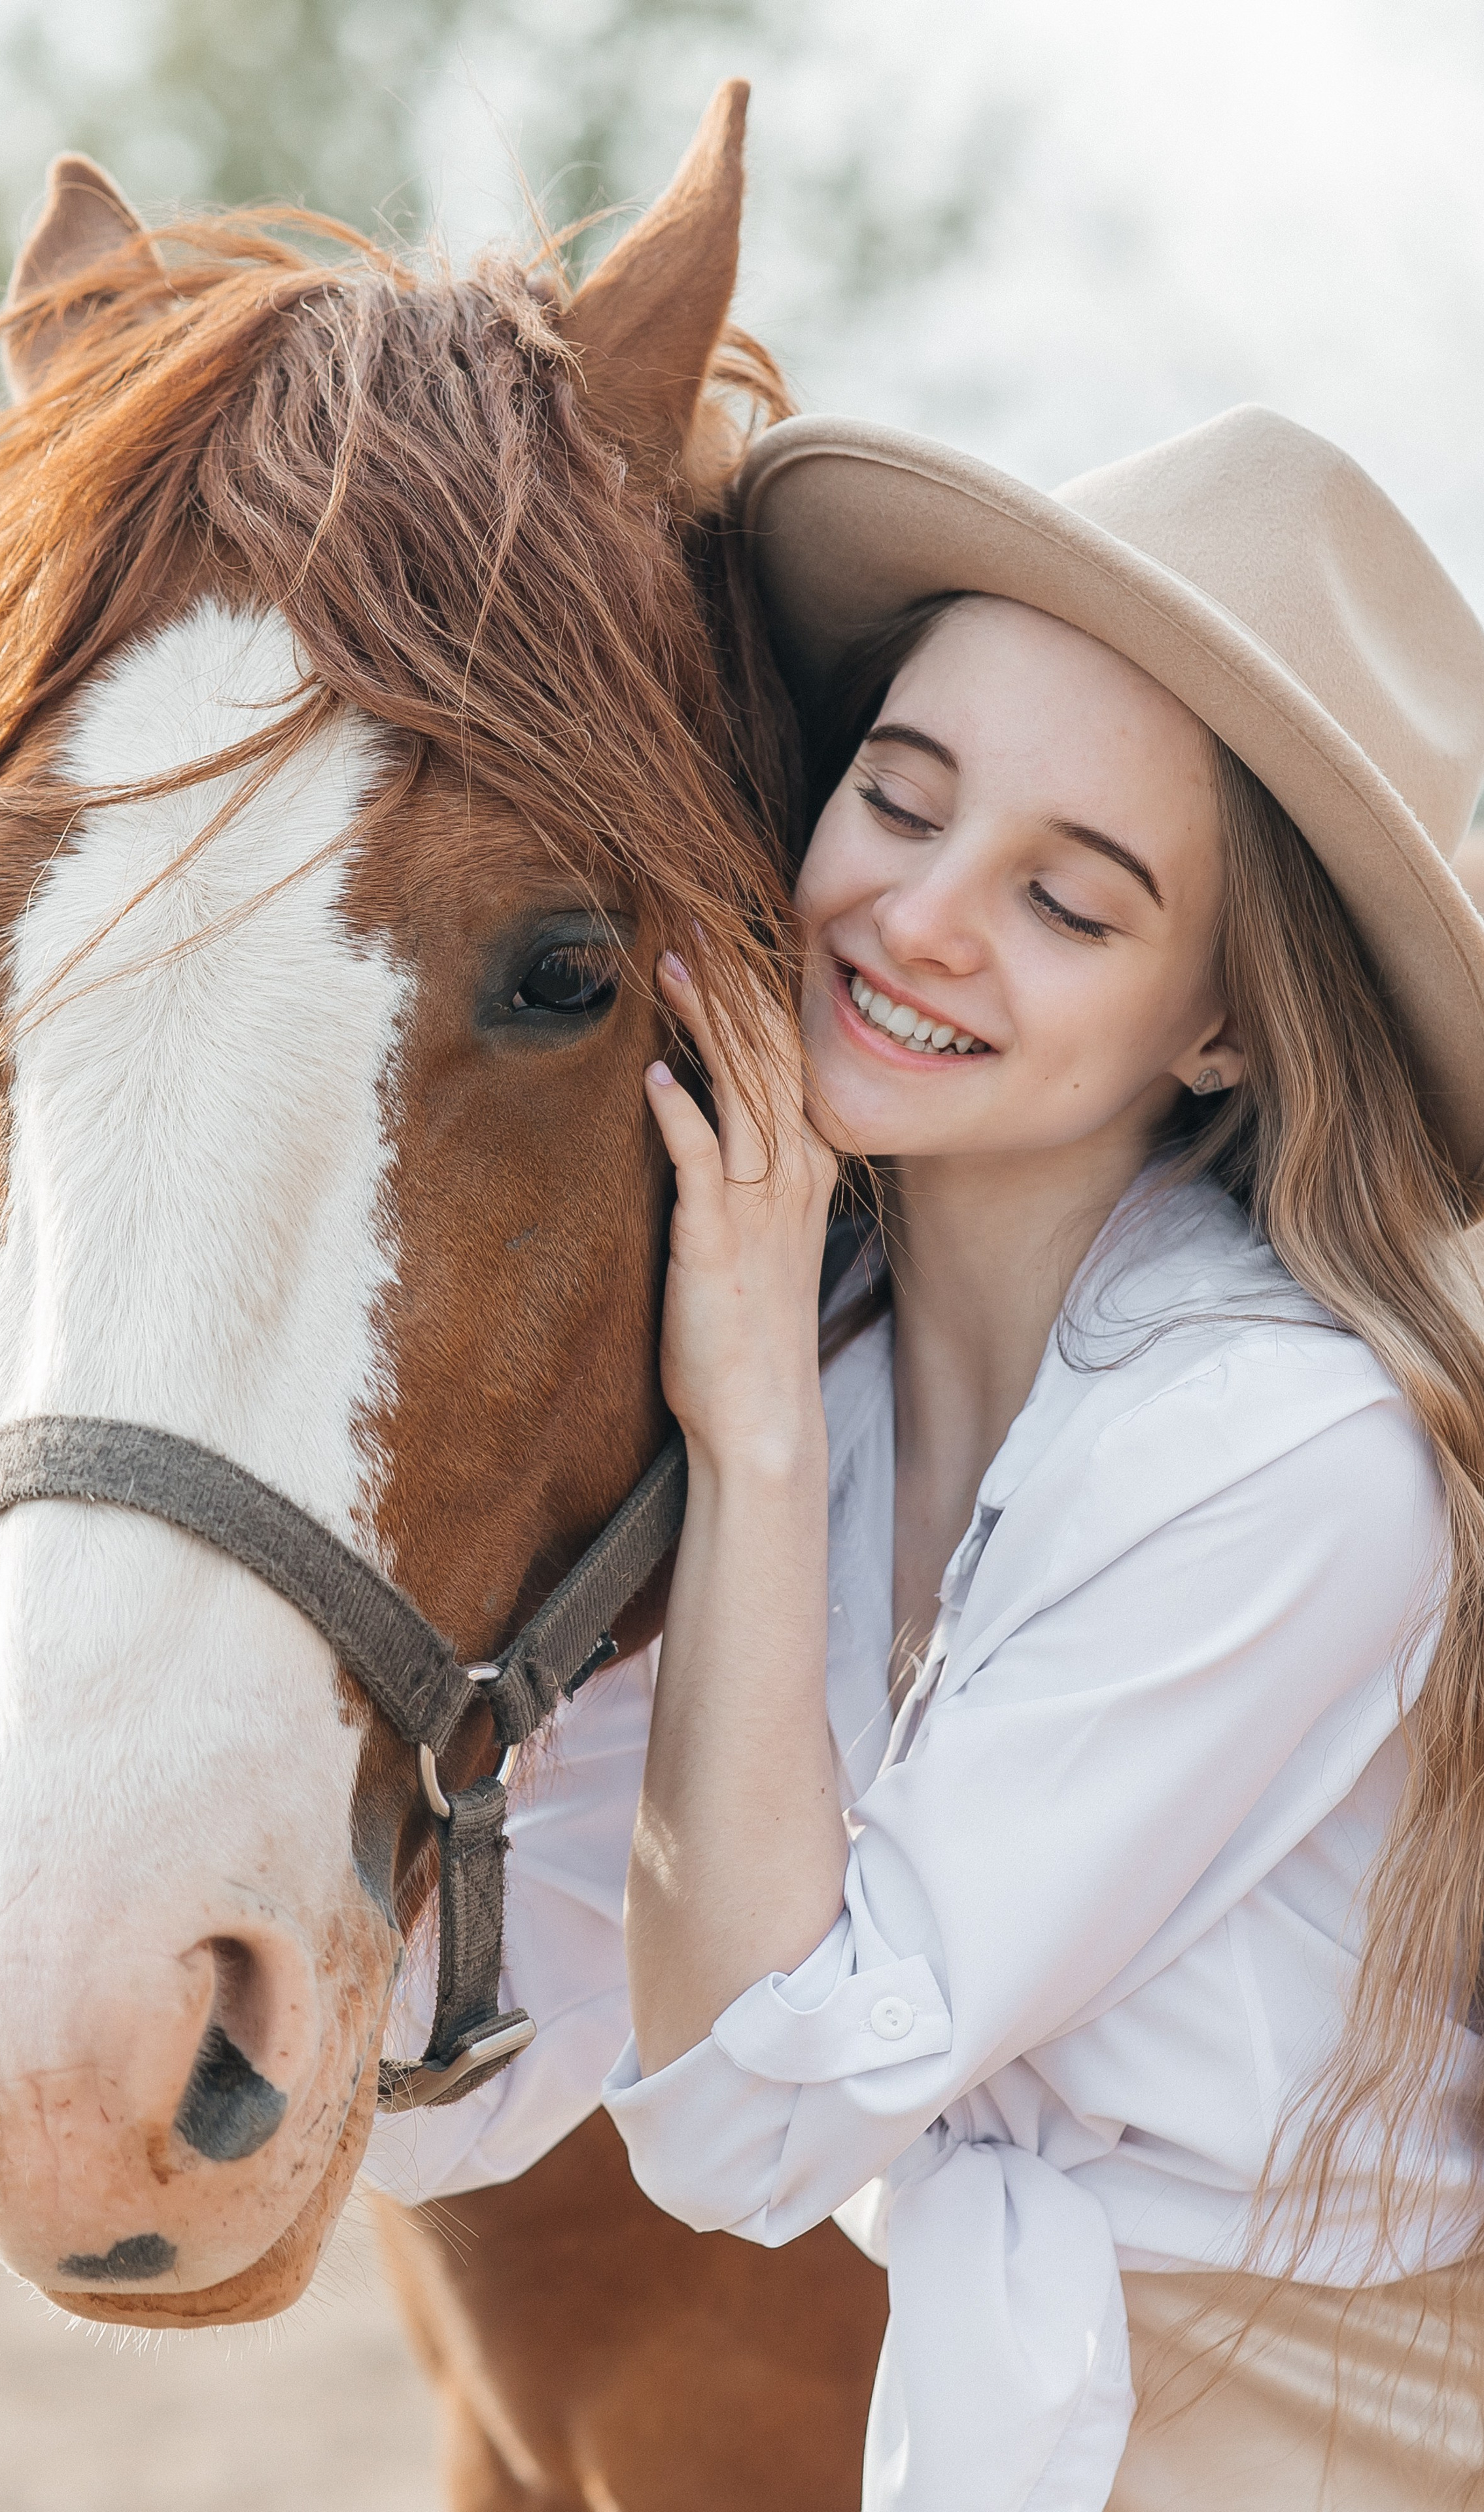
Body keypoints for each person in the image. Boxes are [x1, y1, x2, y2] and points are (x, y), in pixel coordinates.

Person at [370, 405, 1484, 2507]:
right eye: (898, 797)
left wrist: (755, 1440)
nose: (921, 918)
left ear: (1222, 1028)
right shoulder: (850, 1365)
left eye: (1070, 903)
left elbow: (749, 2131)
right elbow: (458, 2068)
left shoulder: (1282, 1456)